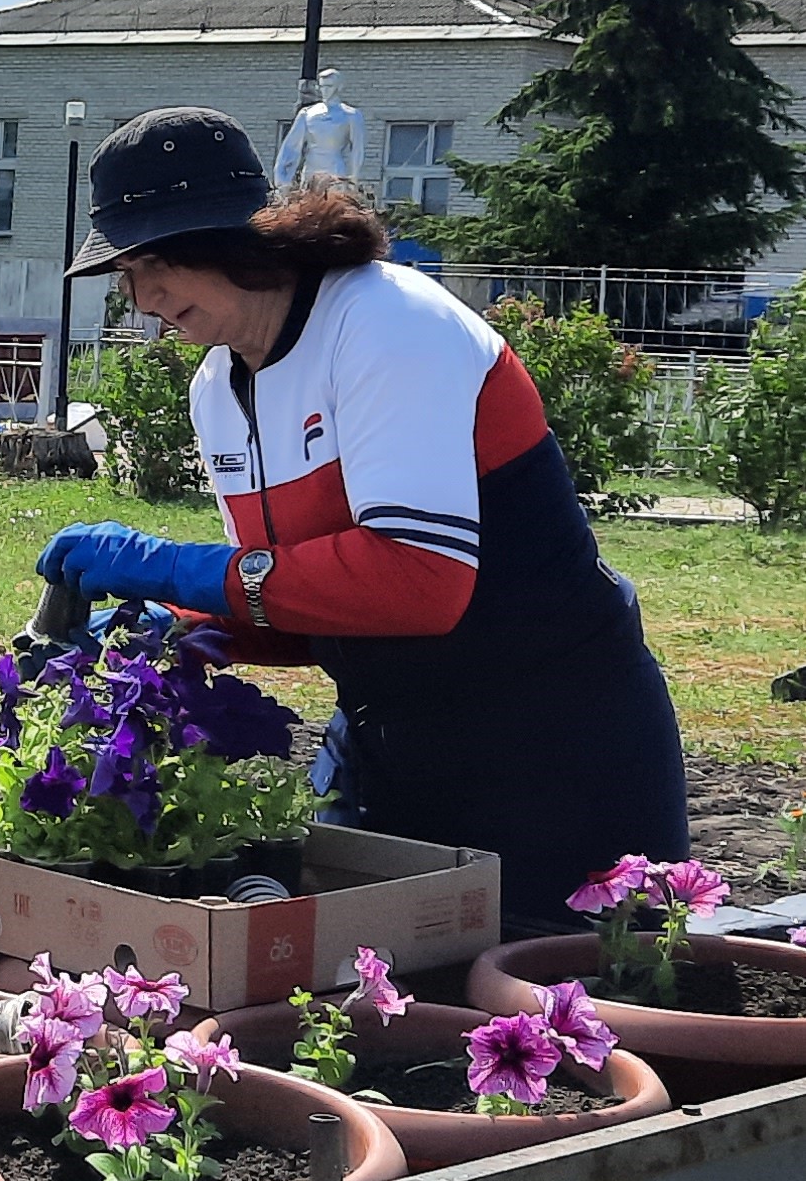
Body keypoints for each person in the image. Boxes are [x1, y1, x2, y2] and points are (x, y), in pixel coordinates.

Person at [38, 105, 686, 931]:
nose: (139, 296)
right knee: (349, 1019)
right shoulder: (216, 386)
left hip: (551, 742)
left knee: (565, 1015)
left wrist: (172, 566)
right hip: (391, 740)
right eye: (124, 273)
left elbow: (418, 584)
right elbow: (296, 600)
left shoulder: (386, 322)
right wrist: (174, 626)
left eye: (154, 261)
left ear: (236, 239)